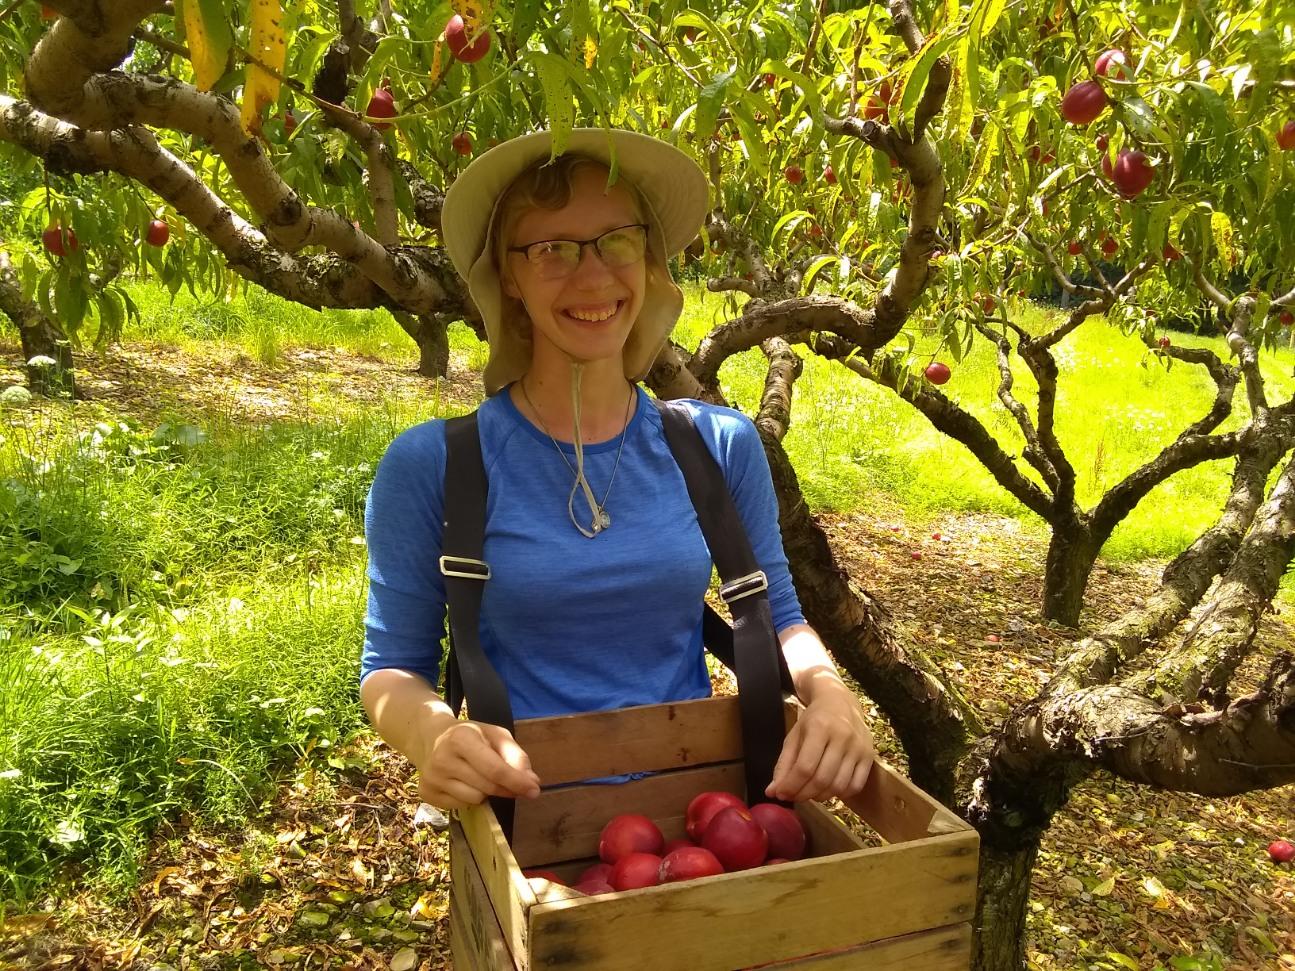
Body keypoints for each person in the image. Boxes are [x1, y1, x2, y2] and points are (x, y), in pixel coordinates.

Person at [359, 127, 875, 814]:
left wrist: (828, 692)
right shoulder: (435, 465)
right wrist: (434, 736)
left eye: (616, 240)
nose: (594, 274)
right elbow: (391, 668)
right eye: (551, 249)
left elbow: (777, 612)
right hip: (522, 818)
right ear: (507, 277)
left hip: (697, 817)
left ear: (648, 256)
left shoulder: (717, 444)